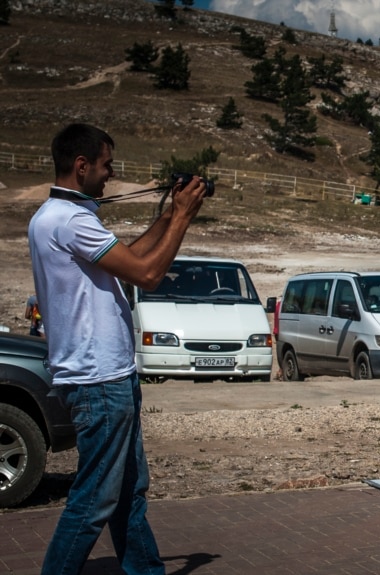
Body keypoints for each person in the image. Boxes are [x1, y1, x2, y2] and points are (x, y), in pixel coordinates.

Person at [29, 123, 207, 574]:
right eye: (106, 165)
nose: (110, 175)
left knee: (128, 490)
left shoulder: (56, 216)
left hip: (106, 376)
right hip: (99, 380)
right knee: (94, 502)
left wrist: (167, 216)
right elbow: (148, 275)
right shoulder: (70, 220)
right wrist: (184, 217)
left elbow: (131, 260)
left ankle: (146, 570)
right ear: (82, 165)